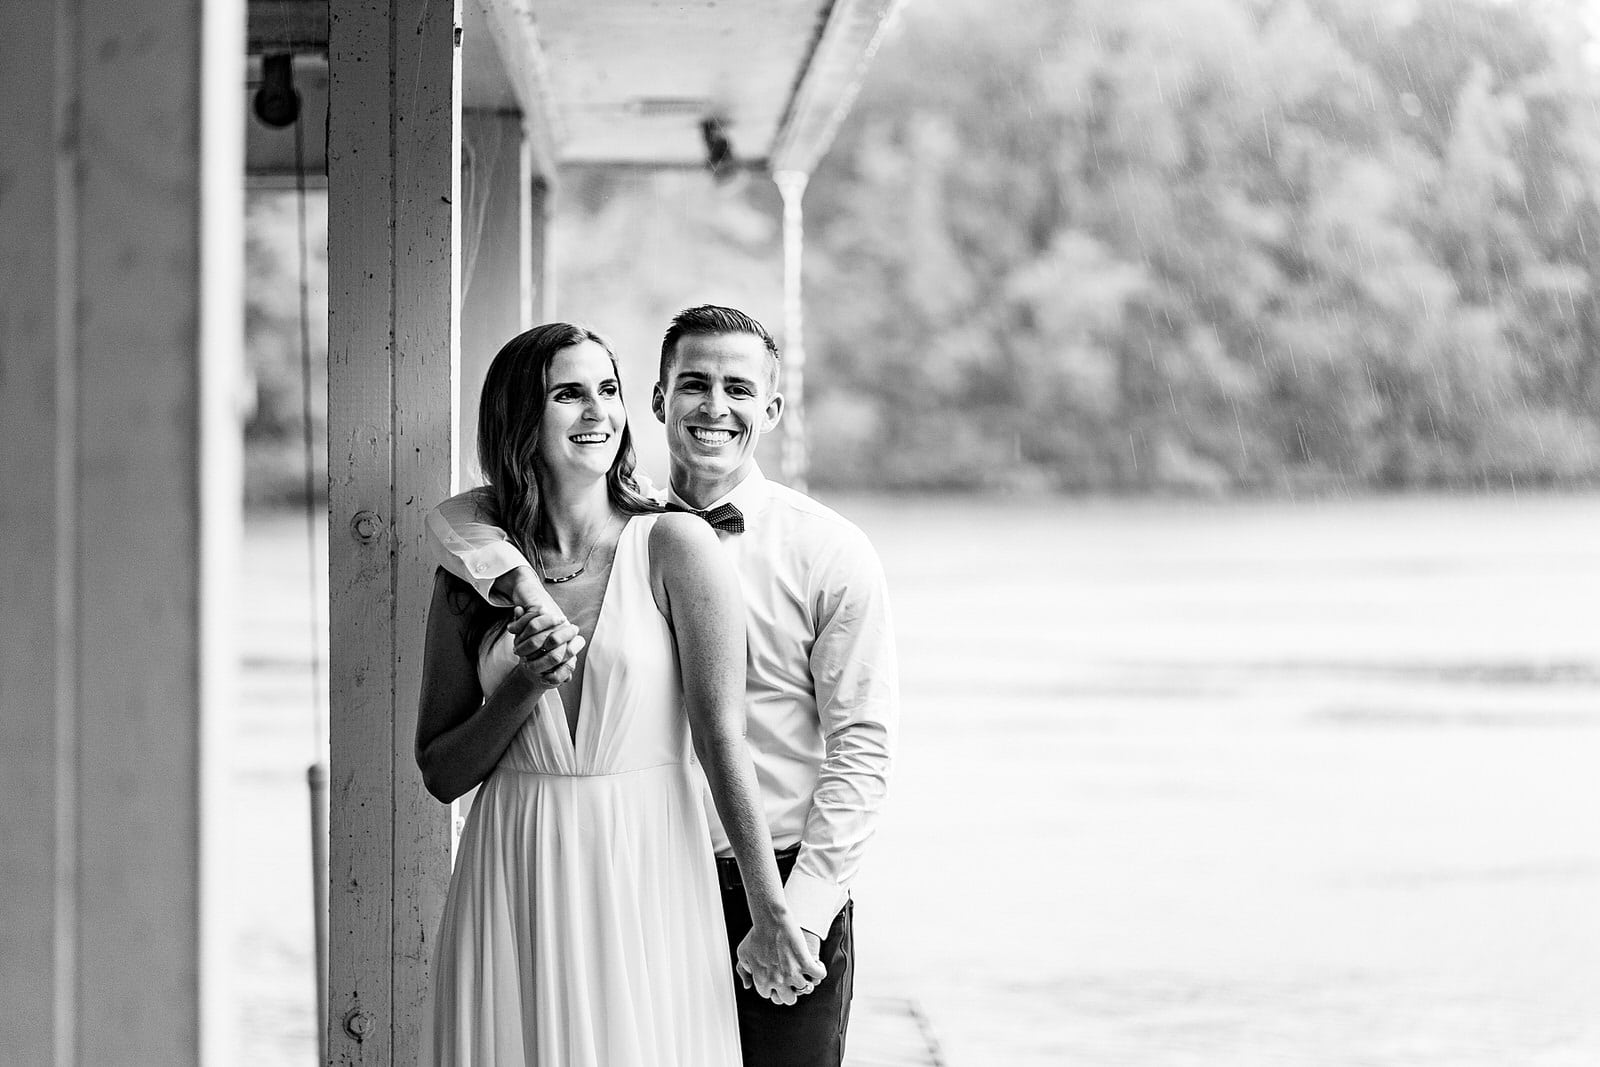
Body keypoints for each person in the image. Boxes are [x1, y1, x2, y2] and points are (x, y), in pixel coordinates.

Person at [427, 305, 899, 1067]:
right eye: (694, 384)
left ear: (772, 408)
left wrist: (795, 913)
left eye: (739, 389)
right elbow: (459, 518)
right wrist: (519, 593)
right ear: (658, 400)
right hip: (631, 871)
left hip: (772, 872)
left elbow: (860, 752)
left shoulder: (830, 551)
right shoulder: (575, 529)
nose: (715, 406)